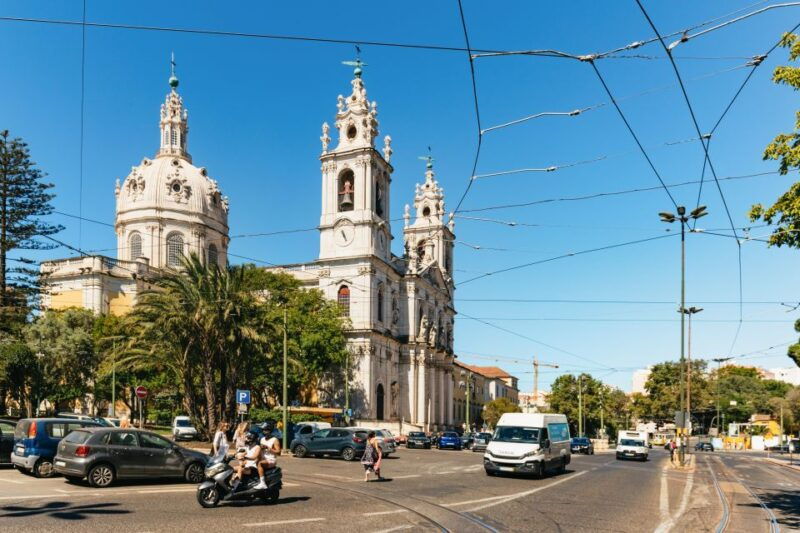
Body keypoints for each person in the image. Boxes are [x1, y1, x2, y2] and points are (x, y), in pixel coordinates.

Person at [255, 422, 281, 489]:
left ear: (270, 431)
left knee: (259, 464)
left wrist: (269, 448)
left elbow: (279, 452)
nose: (264, 432)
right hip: (263, 459)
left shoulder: (274, 440)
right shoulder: (262, 439)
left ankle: (262, 483)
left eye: (266, 430)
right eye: (263, 430)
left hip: (271, 460)